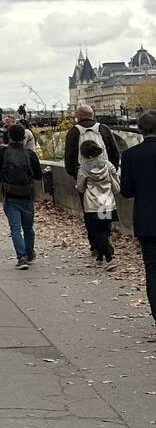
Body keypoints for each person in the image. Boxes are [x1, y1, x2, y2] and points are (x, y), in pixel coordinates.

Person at [120, 110, 156, 328]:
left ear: (140, 130)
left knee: (152, 268)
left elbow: (126, 191)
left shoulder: (131, 155)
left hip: (146, 219)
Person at [0, 123, 42, 269]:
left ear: (9, 137)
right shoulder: (30, 154)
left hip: (10, 195)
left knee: (15, 228)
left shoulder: (3, 153)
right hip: (27, 195)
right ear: (23, 137)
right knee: (28, 228)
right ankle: (30, 252)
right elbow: (39, 176)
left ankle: (21, 257)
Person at [64, 104, 121, 220]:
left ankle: (96, 232)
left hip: (85, 179)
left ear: (78, 117)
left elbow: (69, 158)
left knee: (90, 213)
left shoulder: (74, 132)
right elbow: (115, 152)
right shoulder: (103, 129)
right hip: (105, 179)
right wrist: (109, 171)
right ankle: (105, 230)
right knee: (105, 212)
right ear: (92, 115)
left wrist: (76, 175)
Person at [76, 138, 120, 270]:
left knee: (97, 231)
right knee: (104, 230)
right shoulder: (108, 165)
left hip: (92, 204)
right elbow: (116, 180)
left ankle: (109, 258)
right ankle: (100, 258)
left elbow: (80, 188)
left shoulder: (83, 169)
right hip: (107, 201)